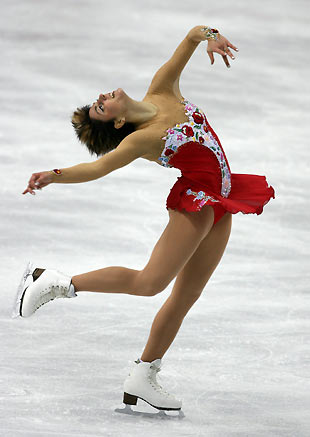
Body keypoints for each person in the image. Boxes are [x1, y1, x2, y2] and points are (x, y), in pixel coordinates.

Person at [16, 25, 275, 413]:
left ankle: (144, 375)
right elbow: (98, 168)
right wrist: (54, 175)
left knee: (186, 296)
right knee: (150, 283)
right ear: (117, 124)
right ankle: (56, 282)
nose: (104, 97)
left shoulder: (161, 90)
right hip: (196, 203)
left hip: (222, 199)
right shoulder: (141, 139)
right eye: (102, 108)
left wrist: (212, 35)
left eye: (98, 101)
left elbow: (190, 37)